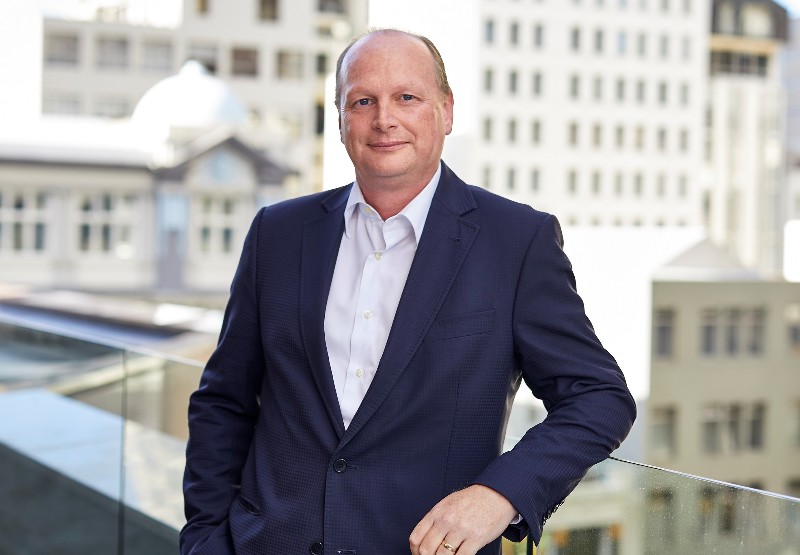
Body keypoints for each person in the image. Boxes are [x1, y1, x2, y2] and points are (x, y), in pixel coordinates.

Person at [180, 29, 636, 555]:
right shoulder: (278, 233)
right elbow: (224, 402)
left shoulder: (516, 242)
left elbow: (599, 398)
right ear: (340, 119)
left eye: (407, 97)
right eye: (363, 101)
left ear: (446, 111)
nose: (384, 119)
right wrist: (204, 540)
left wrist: (500, 495)